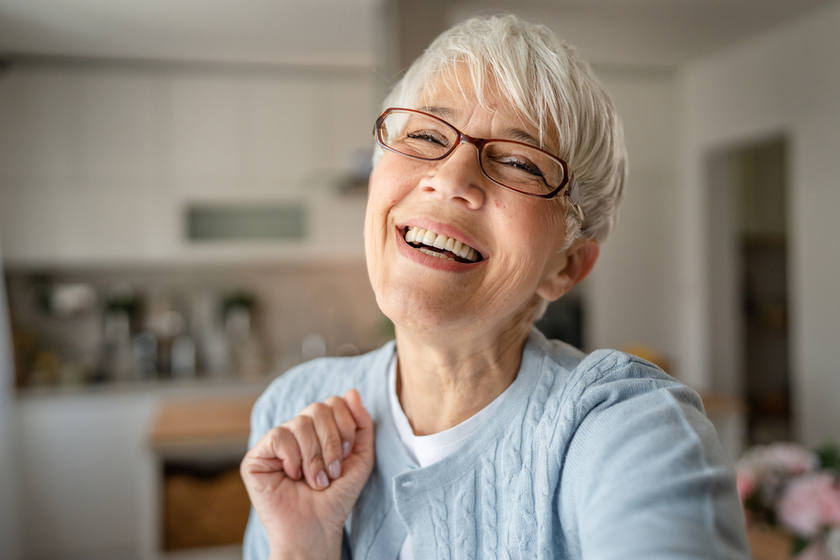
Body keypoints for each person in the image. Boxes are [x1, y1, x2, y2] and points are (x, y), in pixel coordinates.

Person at [241, 14, 749, 560]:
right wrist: (302, 547)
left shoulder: (630, 428)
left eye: (517, 161)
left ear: (569, 266)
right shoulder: (292, 409)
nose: (452, 178)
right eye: (426, 135)